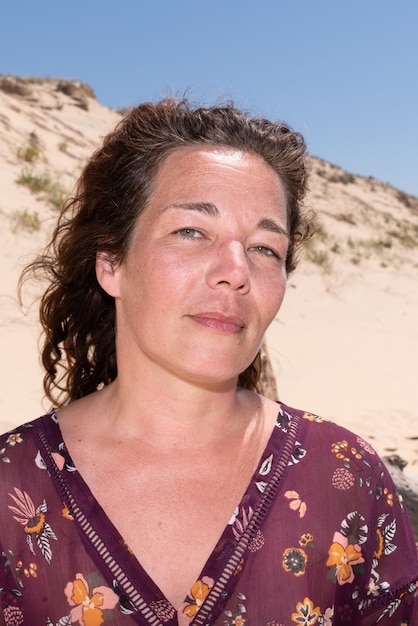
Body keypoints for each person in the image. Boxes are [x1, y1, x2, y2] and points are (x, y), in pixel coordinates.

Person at [0, 98, 416, 626]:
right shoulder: (10, 487)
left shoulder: (344, 476)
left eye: (266, 248)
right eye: (192, 232)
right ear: (112, 264)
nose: (235, 271)